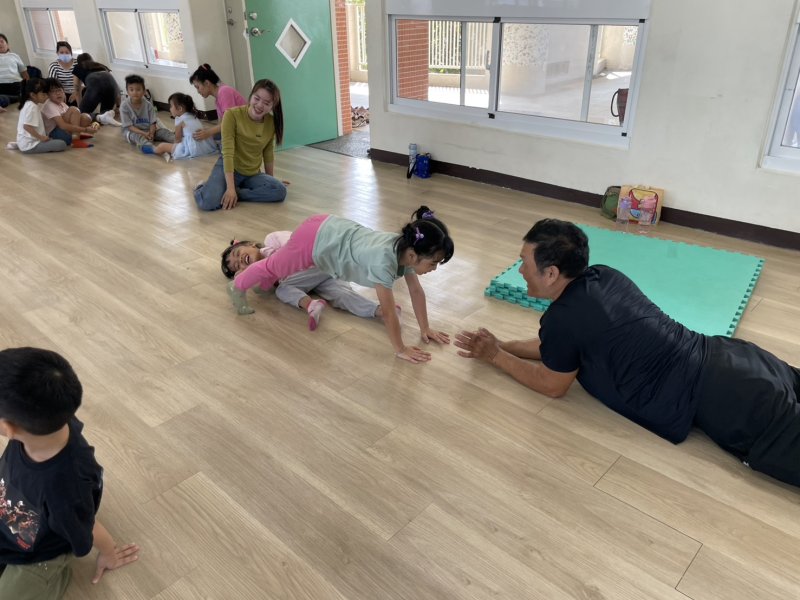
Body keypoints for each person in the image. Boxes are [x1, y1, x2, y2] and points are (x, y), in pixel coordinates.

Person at [455, 218, 800, 487]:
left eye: (524, 262)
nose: (519, 271)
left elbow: (552, 383)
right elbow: (557, 349)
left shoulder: (563, 319)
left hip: (731, 398)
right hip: (738, 358)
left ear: (551, 273)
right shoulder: (603, 276)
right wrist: (502, 345)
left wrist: (495, 357)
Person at [228, 206, 453, 363]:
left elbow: (416, 291)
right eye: (433, 263)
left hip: (328, 229)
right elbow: (388, 312)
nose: (434, 268)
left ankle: (259, 281)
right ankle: (237, 286)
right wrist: (401, 349)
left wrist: (425, 328)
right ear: (413, 255)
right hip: (313, 239)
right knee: (272, 267)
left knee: (277, 271)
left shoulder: (404, 248)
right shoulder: (384, 262)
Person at [0, 347, 139, 599]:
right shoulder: (52, 421)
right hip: (11, 513)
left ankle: (54, 577)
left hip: (38, 552)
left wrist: (109, 553)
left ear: (8, 427)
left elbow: (87, 527)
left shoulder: (64, 487)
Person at [221, 232, 399, 331]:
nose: (240, 260)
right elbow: (260, 288)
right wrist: (246, 275)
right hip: (318, 277)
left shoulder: (271, 244)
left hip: (318, 263)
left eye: (238, 253)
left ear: (251, 244)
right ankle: (380, 310)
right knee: (340, 295)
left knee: (282, 289)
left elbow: (298, 243)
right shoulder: (260, 274)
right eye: (237, 266)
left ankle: (309, 305)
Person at [194, 79, 287, 211]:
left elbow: (268, 154)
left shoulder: (271, 122)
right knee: (207, 203)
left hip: (252, 173)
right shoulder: (232, 115)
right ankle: (202, 188)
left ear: (272, 106)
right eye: (257, 99)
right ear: (251, 96)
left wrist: (269, 181)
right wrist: (230, 188)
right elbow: (228, 152)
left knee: (279, 191)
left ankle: (236, 193)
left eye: (266, 103)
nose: (260, 105)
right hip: (229, 168)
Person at [152, 92, 217, 162]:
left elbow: (177, 139)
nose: (170, 109)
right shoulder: (193, 116)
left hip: (191, 149)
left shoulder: (179, 119)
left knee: (162, 146)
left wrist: (174, 148)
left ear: (180, 108)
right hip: (205, 146)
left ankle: (153, 150)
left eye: (171, 106)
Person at [188, 63, 246, 141]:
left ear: (207, 83)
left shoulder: (224, 92)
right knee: (203, 138)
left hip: (245, 131)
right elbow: (221, 124)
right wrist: (207, 131)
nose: (198, 91)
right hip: (237, 130)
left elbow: (229, 123)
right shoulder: (218, 98)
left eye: (198, 87)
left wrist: (208, 132)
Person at [10, 78, 67, 154]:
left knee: (56, 141)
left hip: (27, 142)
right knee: (62, 144)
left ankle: (20, 144)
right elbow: (26, 126)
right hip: (31, 145)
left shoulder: (28, 104)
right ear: (33, 95)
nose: (46, 96)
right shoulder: (32, 107)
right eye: (43, 94)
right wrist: (41, 137)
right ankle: (22, 145)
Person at [120, 74, 175, 153]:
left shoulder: (148, 105)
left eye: (138, 89)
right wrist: (144, 133)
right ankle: (153, 149)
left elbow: (153, 122)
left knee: (164, 132)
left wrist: (151, 133)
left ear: (144, 91)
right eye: (131, 90)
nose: (135, 92)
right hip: (133, 132)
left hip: (148, 130)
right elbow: (129, 126)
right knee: (138, 137)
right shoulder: (124, 106)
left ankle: (180, 142)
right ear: (127, 91)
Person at [41, 78, 98, 147]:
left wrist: (91, 127)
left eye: (59, 90)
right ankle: (75, 139)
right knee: (74, 110)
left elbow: (74, 120)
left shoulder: (62, 104)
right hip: (54, 133)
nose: (58, 93)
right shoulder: (49, 105)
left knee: (86, 117)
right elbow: (62, 125)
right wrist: (85, 130)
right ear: (47, 95)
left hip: (64, 131)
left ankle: (75, 135)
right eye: (53, 91)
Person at [73, 53, 120, 126]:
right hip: (110, 83)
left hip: (94, 82)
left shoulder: (78, 66)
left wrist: (80, 110)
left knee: (81, 116)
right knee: (105, 115)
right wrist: (118, 106)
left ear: (79, 62)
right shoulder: (101, 66)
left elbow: (77, 90)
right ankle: (103, 117)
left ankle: (97, 117)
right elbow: (115, 86)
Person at [0, 34, 28, 103]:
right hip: (1, 84)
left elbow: (24, 74)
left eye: (1, 41)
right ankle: (9, 99)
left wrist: (28, 86)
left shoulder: (14, 56)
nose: (0, 44)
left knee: (21, 91)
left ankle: (7, 99)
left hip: (15, 83)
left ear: (7, 45)